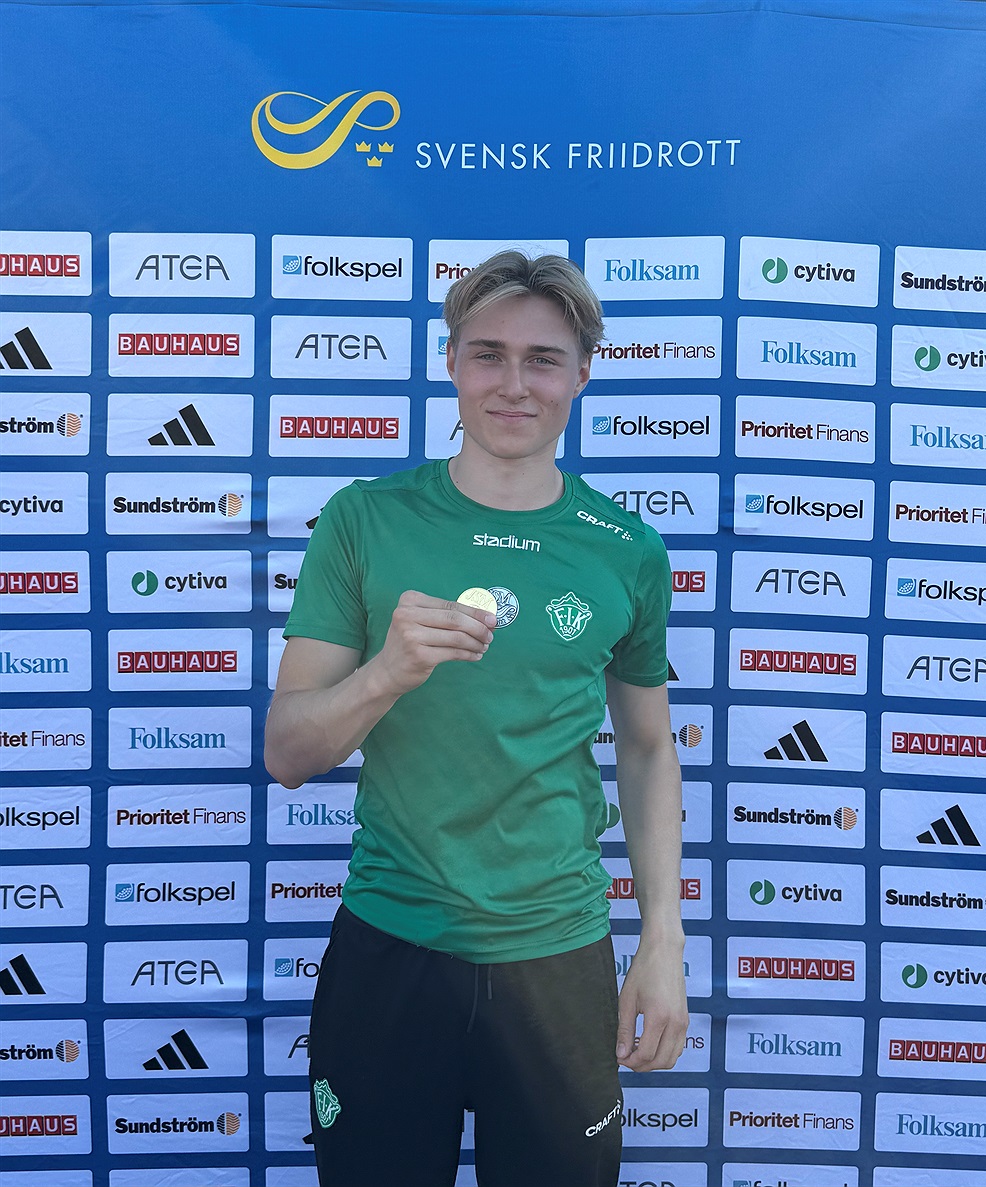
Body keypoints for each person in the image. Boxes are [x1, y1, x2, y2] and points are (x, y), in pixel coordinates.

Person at [264, 250, 689, 1187]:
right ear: (451, 362)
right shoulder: (364, 519)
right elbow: (287, 752)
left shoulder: (628, 549)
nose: (514, 383)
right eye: (488, 354)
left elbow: (649, 748)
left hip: (559, 957)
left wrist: (663, 939)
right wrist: (385, 674)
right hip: (391, 944)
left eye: (544, 359)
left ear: (583, 374)